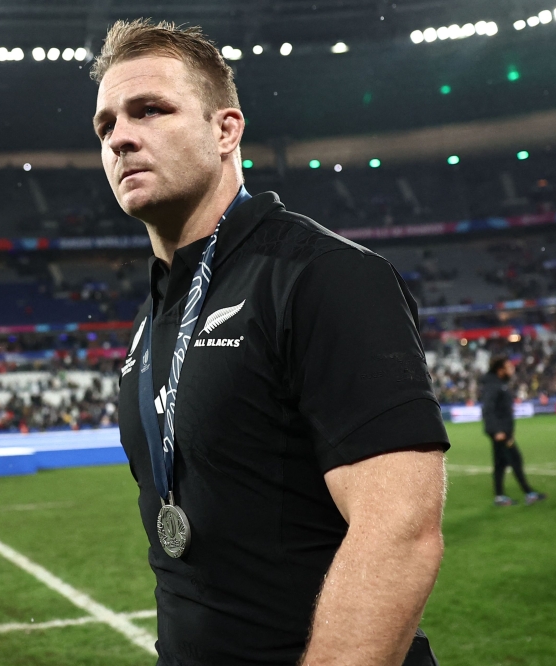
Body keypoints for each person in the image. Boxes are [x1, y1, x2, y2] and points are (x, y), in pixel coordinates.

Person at [94, 20, 449, 666]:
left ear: (225, 130)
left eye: (150, 110)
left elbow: (399, 532)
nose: (120, 137)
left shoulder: (322, 275)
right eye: (106, 124)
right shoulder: (149, 324)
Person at [480, 357, 546, 507]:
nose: (512, 369)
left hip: (503, 431)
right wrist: (497, 430)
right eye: (509, 367)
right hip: (501, 432)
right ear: (500, 370)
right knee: (515, 460)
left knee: (500, 463)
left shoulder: (498, 384)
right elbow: (488, 409)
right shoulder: (494, 385)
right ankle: (529, 493)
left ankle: (499, 496)